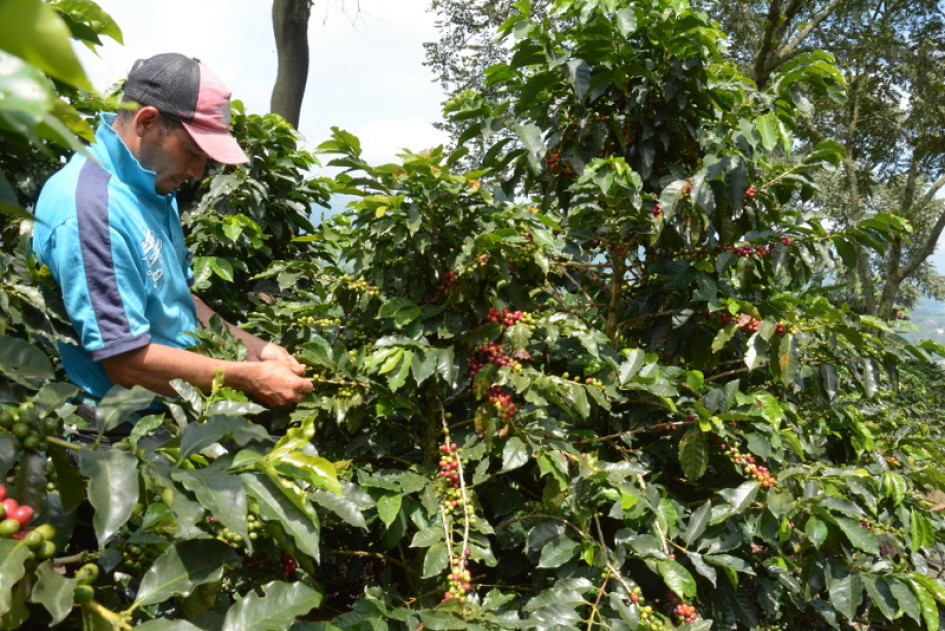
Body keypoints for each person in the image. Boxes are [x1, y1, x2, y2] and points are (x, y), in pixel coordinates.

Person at [32, 52, 313, 420]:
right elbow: (126, 362)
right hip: (115, 434)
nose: (198, 172)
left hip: (174, 412)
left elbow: (177, 297)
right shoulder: (91, 210)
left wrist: (255, 349)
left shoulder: (151, 185)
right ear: (147, 121)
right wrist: (248, 379)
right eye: (193, 153)